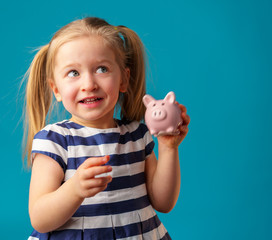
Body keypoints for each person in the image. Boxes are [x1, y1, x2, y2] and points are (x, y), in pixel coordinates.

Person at [23, 17, 190, 240]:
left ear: (123, 79)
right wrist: (74, 190)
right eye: (73, 73)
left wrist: (169, 147)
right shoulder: (55, 140)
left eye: (102, 69)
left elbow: (164, 202)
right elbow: (40, 218)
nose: (89, 84)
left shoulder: (137, 136)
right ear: (56, 89)